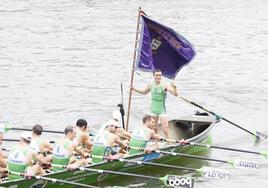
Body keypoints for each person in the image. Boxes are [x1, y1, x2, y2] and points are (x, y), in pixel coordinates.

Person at [131, 69, 178, 140]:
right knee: (154, 129)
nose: (158, 77)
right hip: (153, 109)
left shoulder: (164, 85)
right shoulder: (150, 84)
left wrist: (174, 87)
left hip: (162, 109)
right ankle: (157, 143)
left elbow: (175, 94)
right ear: (153, 76)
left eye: (160, 75)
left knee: (165, 129)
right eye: (157, 75)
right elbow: (144, 92)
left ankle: (170, 144)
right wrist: (134, 89)